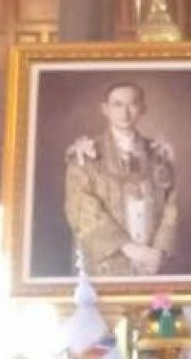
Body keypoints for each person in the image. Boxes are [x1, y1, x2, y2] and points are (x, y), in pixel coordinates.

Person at [64, 79, 179, 276]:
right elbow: (81, 208)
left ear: (142, 108)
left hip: (152, 263)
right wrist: (128, 248)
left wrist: (159, 252)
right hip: (107, 264)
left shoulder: (158, 155)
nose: (125, 113)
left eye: (132, 104)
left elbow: (172, 206)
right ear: (105, 109)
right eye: (117, 104)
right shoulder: (84, 156)